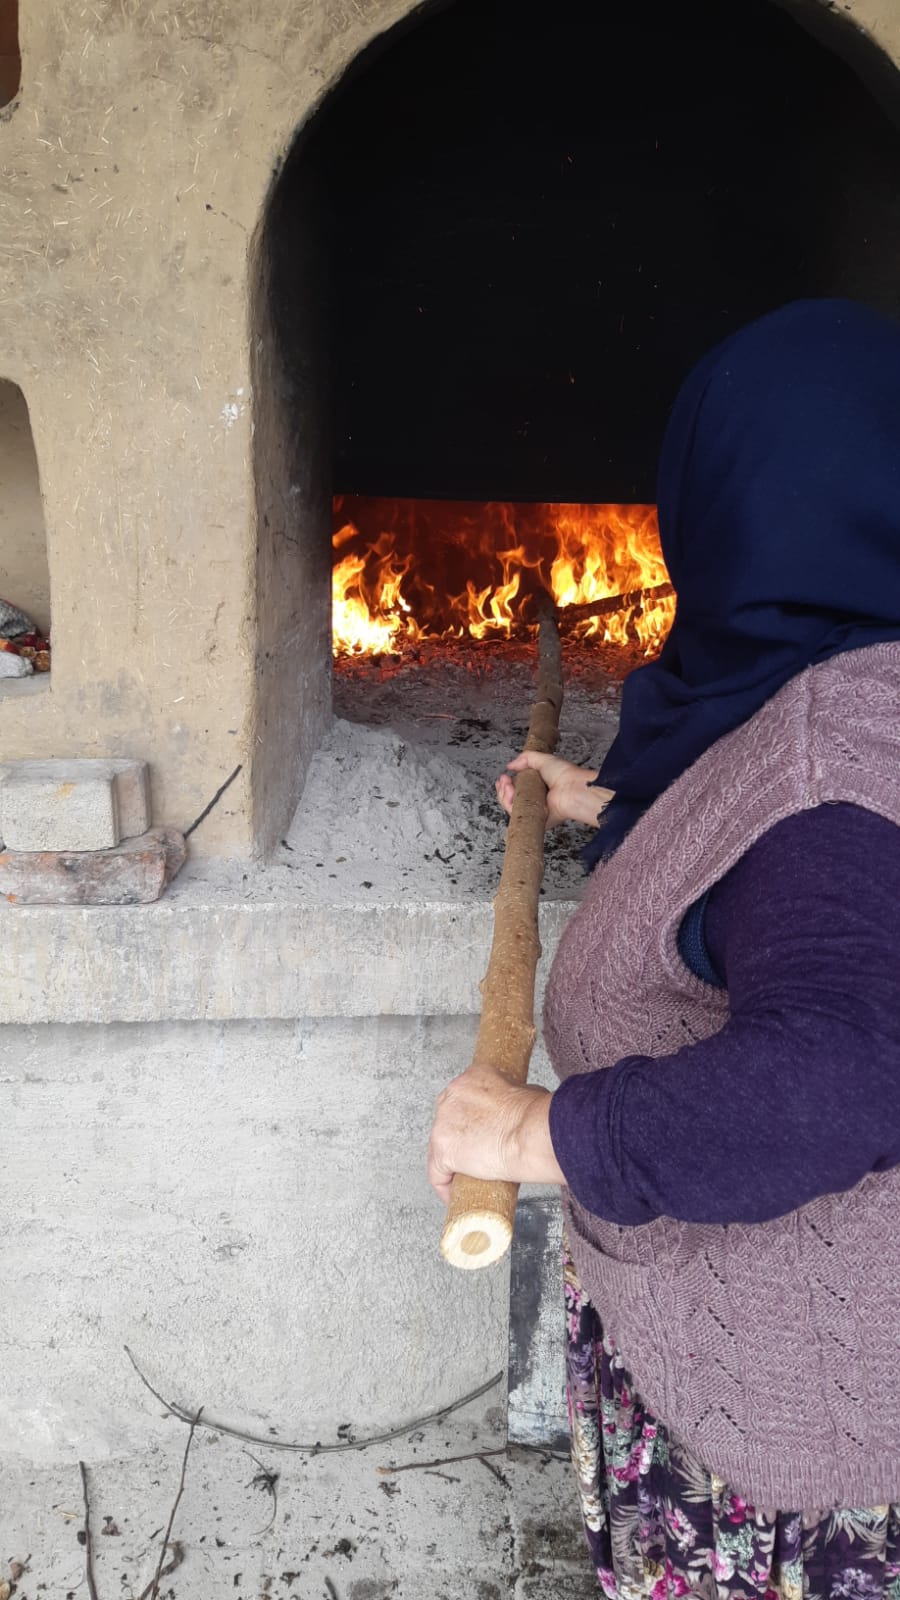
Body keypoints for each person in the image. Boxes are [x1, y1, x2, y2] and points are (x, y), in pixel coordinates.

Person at [428, 298, 900, 1598]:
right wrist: (623, 813)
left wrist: (539, 1137)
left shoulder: (831, 776)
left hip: (808, 1446)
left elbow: (846, 1070)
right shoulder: (861, 679)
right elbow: (804, 862)